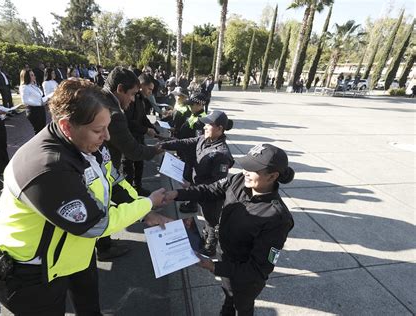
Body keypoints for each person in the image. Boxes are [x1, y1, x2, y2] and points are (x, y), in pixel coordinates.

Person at [0, 79, 171, 315]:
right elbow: (95, 224)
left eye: (107, 127)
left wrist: (145, 211)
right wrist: (148, 202)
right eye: (98, 130)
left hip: (74, 254)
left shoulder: (86, 144)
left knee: (90, 309)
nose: (106, 137)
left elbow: (114, 181)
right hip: (33, 272)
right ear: (66, 126)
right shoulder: (47, 167)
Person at [164, 144, 295, 316]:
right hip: (226, 258)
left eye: (253, 169)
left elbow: (257, 269)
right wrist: (177, 194)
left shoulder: (277, 218)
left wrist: (214, 267)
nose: (246, 171)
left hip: (244, 277)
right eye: (246, 166)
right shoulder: (239, 180)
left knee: (242, 305)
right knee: (229, 297)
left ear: (272, 176)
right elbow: (210, 189)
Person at [99, 66, 163, 260]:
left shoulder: (99, 100)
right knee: (101, 204)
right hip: (101, 170)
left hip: (105, 169)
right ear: (120, 89)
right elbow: (132, 150)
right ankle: (103, 247)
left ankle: (104, 244)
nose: (134, 99)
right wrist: (156, 150)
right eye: (133, 94)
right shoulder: (113, 114)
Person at [160, 111, 234, 256]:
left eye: (209, 124)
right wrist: (163, 145)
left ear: (220, 129)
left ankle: (210, 245)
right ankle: (207, 236)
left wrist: (193, 187)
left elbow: (216, 185)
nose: (205, 127)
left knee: (211, 219)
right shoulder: (204, 139)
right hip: (198, 188)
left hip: (210, 194)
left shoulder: (222, 155)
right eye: (205, 123)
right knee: (204, 215)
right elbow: (184, 143)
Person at [123, 73, 159, 195]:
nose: (150, 92)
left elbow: (143, 118)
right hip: (129, 138)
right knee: (128, 169)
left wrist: (154, 129)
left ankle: (138, 188)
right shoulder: (131, 99)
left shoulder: (141, 100)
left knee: (140, 164)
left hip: (138, 137)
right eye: (149, 89)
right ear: (142, 85)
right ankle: (128, 194)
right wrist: (146, 130)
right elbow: (129, 122)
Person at [19, 69, 47, 134]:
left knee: (43, 129)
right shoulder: (24, 87)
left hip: (40, 109)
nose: (34, 76)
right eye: (32, 75)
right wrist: (39, 103)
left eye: (33, 75)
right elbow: (25, 101)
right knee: (39, 131)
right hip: (33, 111)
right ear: (26, 77)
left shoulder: (34, 85)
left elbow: (40, 96)